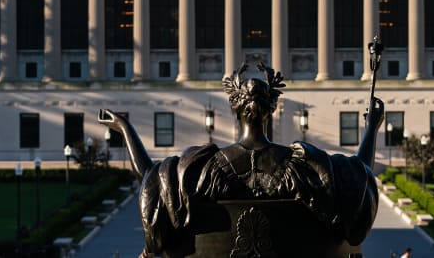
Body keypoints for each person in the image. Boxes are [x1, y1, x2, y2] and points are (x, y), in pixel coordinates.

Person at [99, 63, 385, 258]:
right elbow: (360, 176)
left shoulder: (201, 170)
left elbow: (150, 177)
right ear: (271, 109)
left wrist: (125, 129)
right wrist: (371, 128)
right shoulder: (305, 168)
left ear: (234, 110)